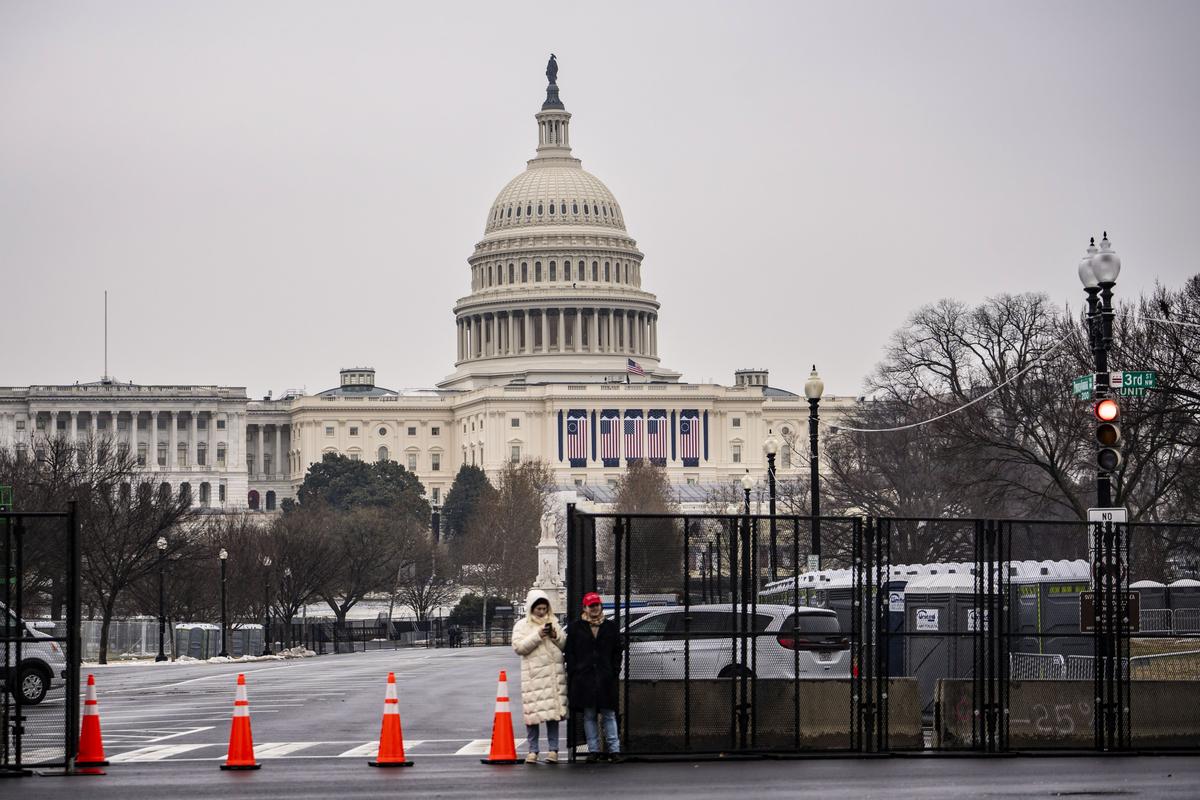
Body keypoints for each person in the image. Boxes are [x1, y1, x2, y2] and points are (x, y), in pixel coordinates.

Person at [511, 589, 568, 764]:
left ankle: (553, 750)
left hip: (552, 676)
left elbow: (565, 644)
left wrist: (554, 635)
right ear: (531, 608)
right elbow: (519, 648)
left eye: (544, 608)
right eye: (538, 609)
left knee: (553, 716)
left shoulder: (554, 623)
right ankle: (533, 750)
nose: (542, 612)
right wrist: (538, 635)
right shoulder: (522, 626)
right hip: (534, 677)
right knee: (532, 716)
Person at [565, 591, 622, 762]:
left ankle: (614, 750)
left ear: (600, 606)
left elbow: (617, 650)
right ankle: (594, 750)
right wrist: (576, 670)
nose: (595, 608)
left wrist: (614, 670)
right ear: (585, 608)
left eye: (597, 605)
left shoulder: (610, 626)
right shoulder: (576, 628)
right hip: (585, 677)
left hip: (604, 676)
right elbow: (570, 651)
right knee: (590, 715)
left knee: (608, 714)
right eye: (591, 606)